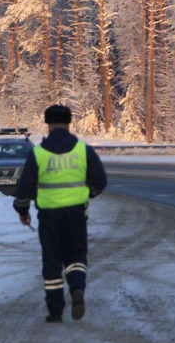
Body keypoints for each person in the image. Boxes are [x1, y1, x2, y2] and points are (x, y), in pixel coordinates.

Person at [13, 104, 107, 323]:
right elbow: (100, 180)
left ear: (47, 124)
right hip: (75, 215)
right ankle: (77, 288)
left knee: (52, 261)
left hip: (49, 217)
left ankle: (55, 311)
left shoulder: (38, 154)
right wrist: (85, 195)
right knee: (76, 255)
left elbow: (25, 188)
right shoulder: (83, 150)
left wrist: (22, 210)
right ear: (69, 123)